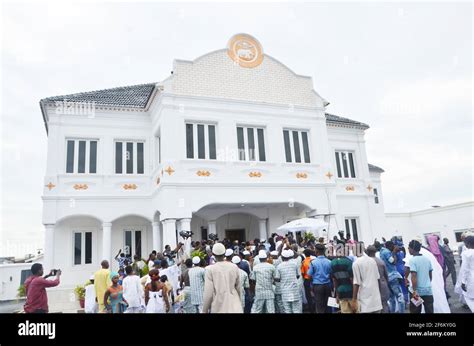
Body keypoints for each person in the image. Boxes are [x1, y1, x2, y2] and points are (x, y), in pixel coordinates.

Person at [202, 243, 242, 313]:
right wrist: (239, 302)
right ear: (224, 254)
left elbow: (208, 294)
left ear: (213, 254)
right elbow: (239, 288)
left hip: (218, 307)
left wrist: (204, 311)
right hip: (235, 306)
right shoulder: (234, 267)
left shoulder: (210, 270)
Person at [404, 240, 434, 314]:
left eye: (409, 248)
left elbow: (414, 276)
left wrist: (414, 291)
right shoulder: (427, 259)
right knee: (429, 311)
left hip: (417, 292)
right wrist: (427, 284)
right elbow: (430, 275)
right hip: (428, 291)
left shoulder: (412, 260)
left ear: (412, 249)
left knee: (415, 311)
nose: (408, 250)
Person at [352, 245, 382, 313]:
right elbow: (378, 279)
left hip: (365, 302)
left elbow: (356, 283)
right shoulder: (372, 261)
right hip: (376, 300)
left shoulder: (356, 263)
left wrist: (354, 300)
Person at [379, 241, 405, 313]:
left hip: (386, 277)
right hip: (393, 277)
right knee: (400, 298)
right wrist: (393, 252)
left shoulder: (381, 252)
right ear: (390, 246)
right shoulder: (387, 252)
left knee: (391, 298)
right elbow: (393, 261)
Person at [308, 244, 332, 313]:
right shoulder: (329, 262)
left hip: (317, 285)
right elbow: (331, 274)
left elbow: (309, 275)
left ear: (316, 251)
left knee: (319, 305)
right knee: (328, 304)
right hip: (327, 285)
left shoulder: (313, 262)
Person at [331, 246, 354, 313]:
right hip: (351, 292)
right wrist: (355, 295)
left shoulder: (332, 263)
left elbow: (334, 280)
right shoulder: (349, 262)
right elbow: (351, 279)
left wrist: (337, 295)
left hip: (341, 292)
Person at [370, 247, 390, 313]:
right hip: (382, 285)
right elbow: (386, 275)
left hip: (372, 287)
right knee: (384, 305)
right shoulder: (380, 261)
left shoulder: (367, 262)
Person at [457, 235, 474, 311]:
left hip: (471, 278)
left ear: (468, 243)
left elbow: (465, 269)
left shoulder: (466, 253)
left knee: (468, 297)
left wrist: (463, 282)